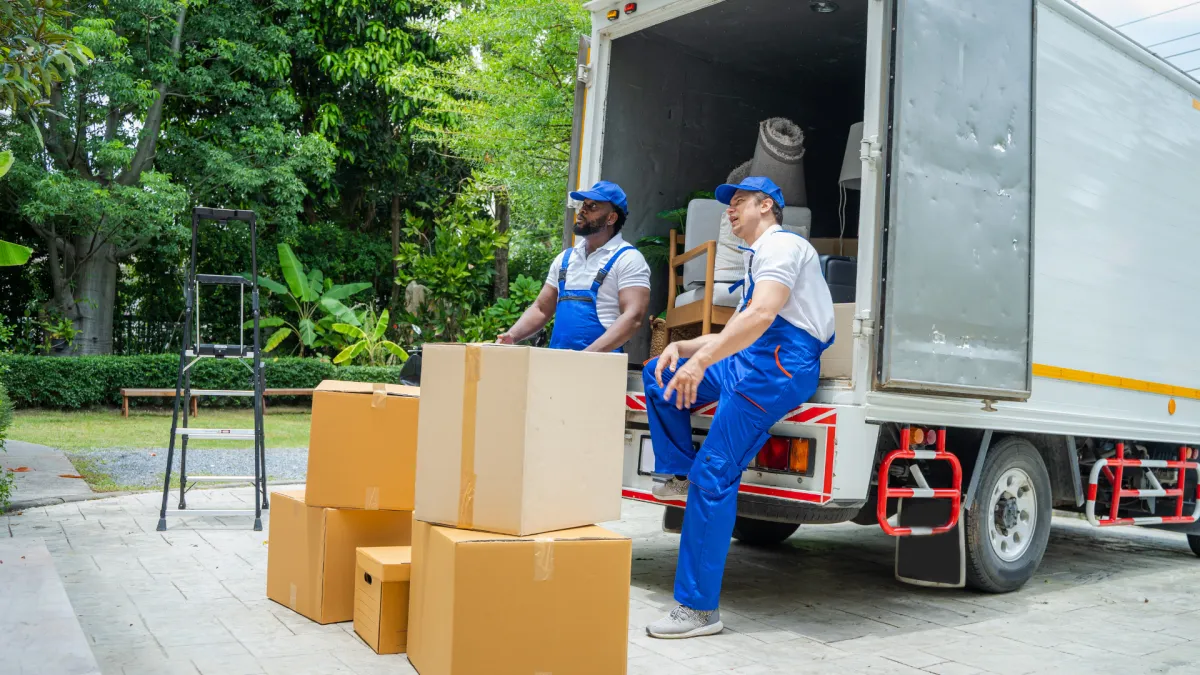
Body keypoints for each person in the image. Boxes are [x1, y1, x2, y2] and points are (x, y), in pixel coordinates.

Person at [641, 176, 836, 639]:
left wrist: (703, 358)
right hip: (749, 359)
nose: (729, 211)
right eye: (728, 205)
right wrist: (685, 351)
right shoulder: (758, 258)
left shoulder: (783, 247)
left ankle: (698, 610)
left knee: (715, 474)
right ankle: (676, 474)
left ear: (766, 206)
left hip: (777, 370)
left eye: (739, 203)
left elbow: (762, 316)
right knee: (657, 374)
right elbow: (743, 331)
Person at [497, 181, 651, 352]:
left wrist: (587, 356)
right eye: (583, 204)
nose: (582, 211)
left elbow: (633, 317)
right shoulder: (565, 259)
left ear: (611, 218)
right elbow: (541, 309)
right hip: (558, 363)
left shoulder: (628, 259)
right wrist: (512, 336)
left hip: (601, 366)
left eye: (593, 206)